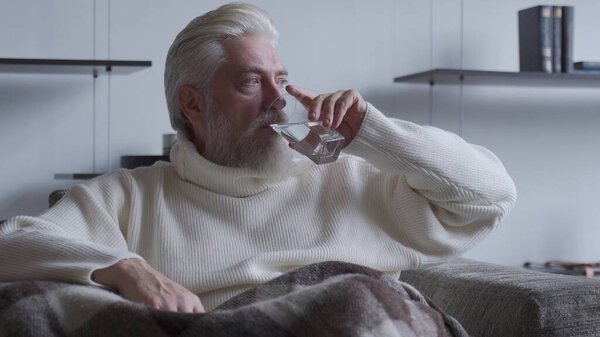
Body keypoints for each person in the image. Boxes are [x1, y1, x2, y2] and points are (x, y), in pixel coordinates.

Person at [0, 3, 516, 314]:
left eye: (283, 80)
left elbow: (491, 197)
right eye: (251, 81)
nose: (278, 97)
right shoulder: (132, 196)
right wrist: (124, 267)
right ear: (194, 103)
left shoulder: (355, 178)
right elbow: (12, 243)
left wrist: (372, 134)